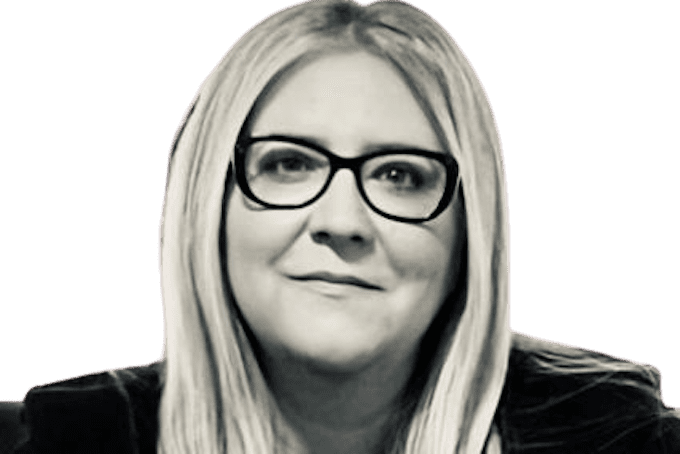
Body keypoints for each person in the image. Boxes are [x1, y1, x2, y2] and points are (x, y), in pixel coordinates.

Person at [1, 0, 678, 453]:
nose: (342, 221)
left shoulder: (620, 440)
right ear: (208, 204)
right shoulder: (59, 441)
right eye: (289, 164)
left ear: (472, 232)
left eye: (400, 175)